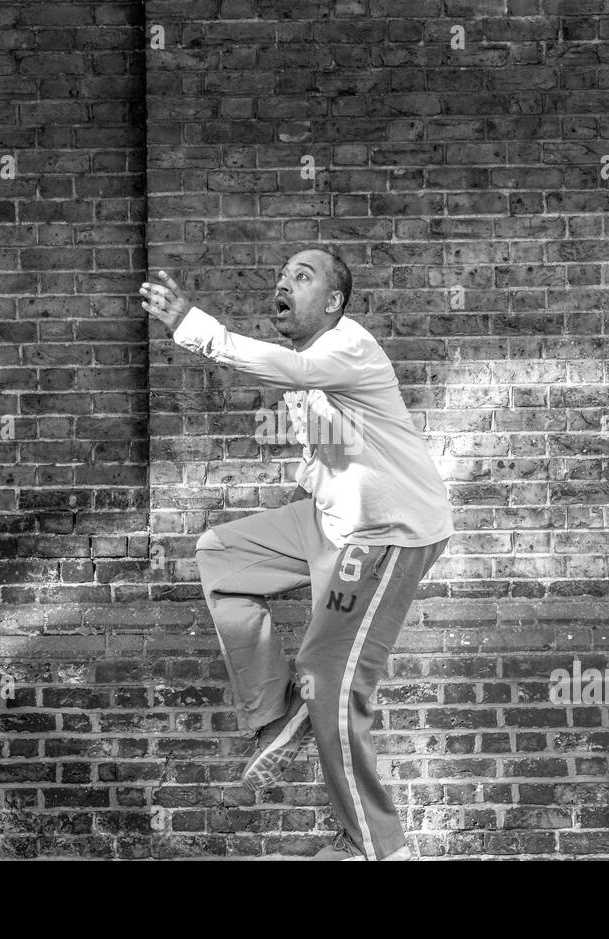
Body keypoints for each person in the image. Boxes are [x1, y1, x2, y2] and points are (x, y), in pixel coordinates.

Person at [138, 247, 453, 861]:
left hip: (387, 534)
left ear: (332, 303)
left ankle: (373, 847)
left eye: (301, 277)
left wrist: (191, 325)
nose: (283, 282)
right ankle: (279, 715)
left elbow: (280, 368)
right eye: (282, 275)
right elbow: (323, 456)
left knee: (331, 683)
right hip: (329, 520)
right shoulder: (308, 368)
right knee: (221, 557)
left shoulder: (346, 349)